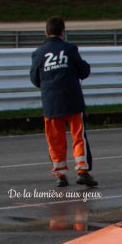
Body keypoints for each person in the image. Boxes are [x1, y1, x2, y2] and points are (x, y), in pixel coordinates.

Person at [30, 17, 97, 188]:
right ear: (63, 32)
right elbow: (83, 71)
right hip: (72, 100)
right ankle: (82, 171)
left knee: (55, 139)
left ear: (46, 32)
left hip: (51, 102)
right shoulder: (70, 49)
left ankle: (60, 174)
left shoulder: (38, 53)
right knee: (78, 136)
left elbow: (35, 78)